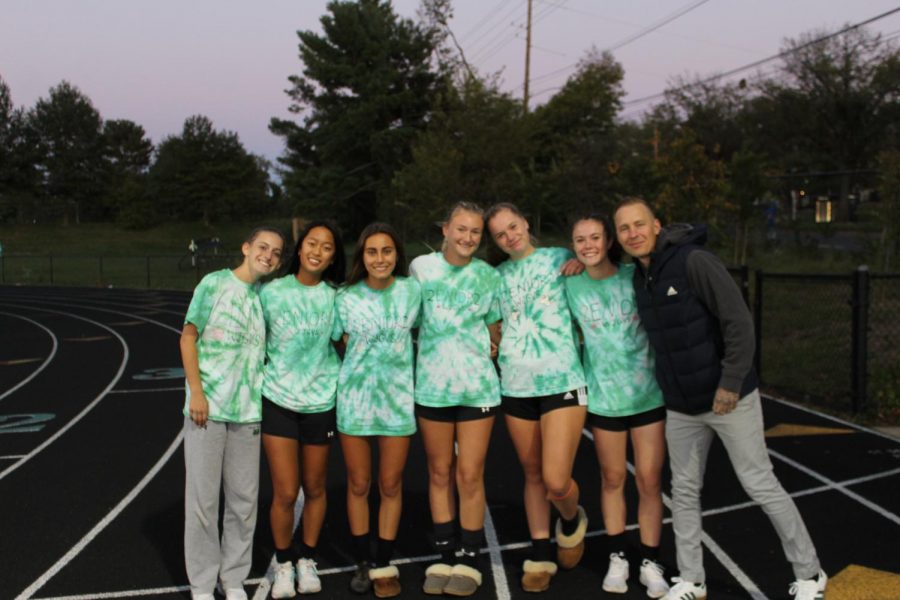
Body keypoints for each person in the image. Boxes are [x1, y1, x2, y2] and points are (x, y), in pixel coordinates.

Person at [613, 198, 826, 600]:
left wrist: (730, 382)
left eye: (639, 224)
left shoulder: (694, 261)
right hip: (681, 405)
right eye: (624, 229)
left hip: (728, 398)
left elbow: (739, 322)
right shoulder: (640, 276)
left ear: (656, 225)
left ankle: (810, 573)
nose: (633, 233)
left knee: (760, 484)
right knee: (684, 492)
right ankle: (693, 580)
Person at [485, 202, 589, 593]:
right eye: (500, 233)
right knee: (531, 475)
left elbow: (593, 275)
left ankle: (571, 518)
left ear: (526, 223)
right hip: (515, 384)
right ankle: (540, 551)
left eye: (513, 226)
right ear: (495, 241)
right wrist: (494, 343)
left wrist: (582, 265)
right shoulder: (496, 277)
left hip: (562, 379)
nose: (510, 236)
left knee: (556, 480)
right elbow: (493, 325)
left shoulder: (559, 258)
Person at [563, 214, 669, 598]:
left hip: (647, 396)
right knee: (612, 479)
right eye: (579, 240)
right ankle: (618, 556)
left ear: (608, 240)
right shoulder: (571, 284)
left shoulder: (633, 276)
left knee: (649, 480)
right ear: (572, 245)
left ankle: (651, 560)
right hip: (605, 399)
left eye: (594, 237)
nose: (588, 245)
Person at [180, 227, 285, 600]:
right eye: (262, 247)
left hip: (249, 413)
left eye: (275, 252)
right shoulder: (214, 284)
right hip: (207, 411)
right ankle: (203, 584)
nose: (268, 256)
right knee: (204, 502)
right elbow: (188, 336)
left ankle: (234, 578)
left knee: (243, 502)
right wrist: (197, 391)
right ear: (245, 247)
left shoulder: (266, 297)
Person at [409, 202, 502, 597]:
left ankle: (469, 557)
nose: (467, 238)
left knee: (469, 474)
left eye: (475, 233)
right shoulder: (421, 268)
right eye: (461, 229)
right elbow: (406, 315)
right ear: (445, 229)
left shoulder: (487, 276)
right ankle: (444, 553)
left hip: (477, 388)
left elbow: (494, 326)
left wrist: (492, 346)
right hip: (432, 386)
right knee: (439, 472)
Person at [333, 222, 421, 598]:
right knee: (358, 484)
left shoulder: (412, 291)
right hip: (354, 401)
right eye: (372, 252)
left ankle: (384, 561)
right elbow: (340, 339)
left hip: (398, 401)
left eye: (387, 251)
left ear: (397, 255)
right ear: (362, 257)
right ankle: (361, 561)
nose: (380, 258)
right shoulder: (345, 297)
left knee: (390, 484)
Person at [259, 221, 346, 597]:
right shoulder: (271, 292)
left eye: (327, 247)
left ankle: (307, 558)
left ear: (332, 257)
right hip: (278, 399)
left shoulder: (335, 297)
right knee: (283, 490)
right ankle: (283, 563)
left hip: (320, 401)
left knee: (314, 486)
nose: (318, 251)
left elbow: (350, 339)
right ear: (300, 248)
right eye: (312, 243)